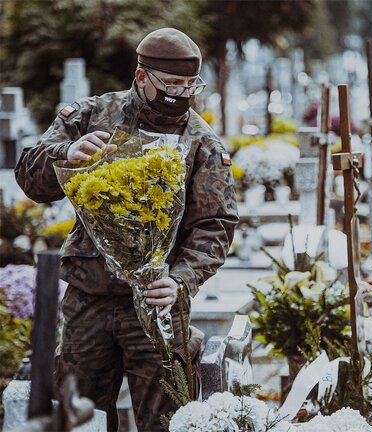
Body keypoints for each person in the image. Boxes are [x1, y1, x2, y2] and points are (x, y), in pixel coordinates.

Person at [14, 28, 238, 431]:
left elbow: (215, 225)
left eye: (190, 85)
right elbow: (30, 177)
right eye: (170, 84)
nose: (182, 94)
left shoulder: (201, 142)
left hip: (159, 303)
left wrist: (181, 280)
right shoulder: (89, 117)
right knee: (80, 417)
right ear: (140, 77)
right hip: (90, 299)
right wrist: (66, 154)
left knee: (167, 420)